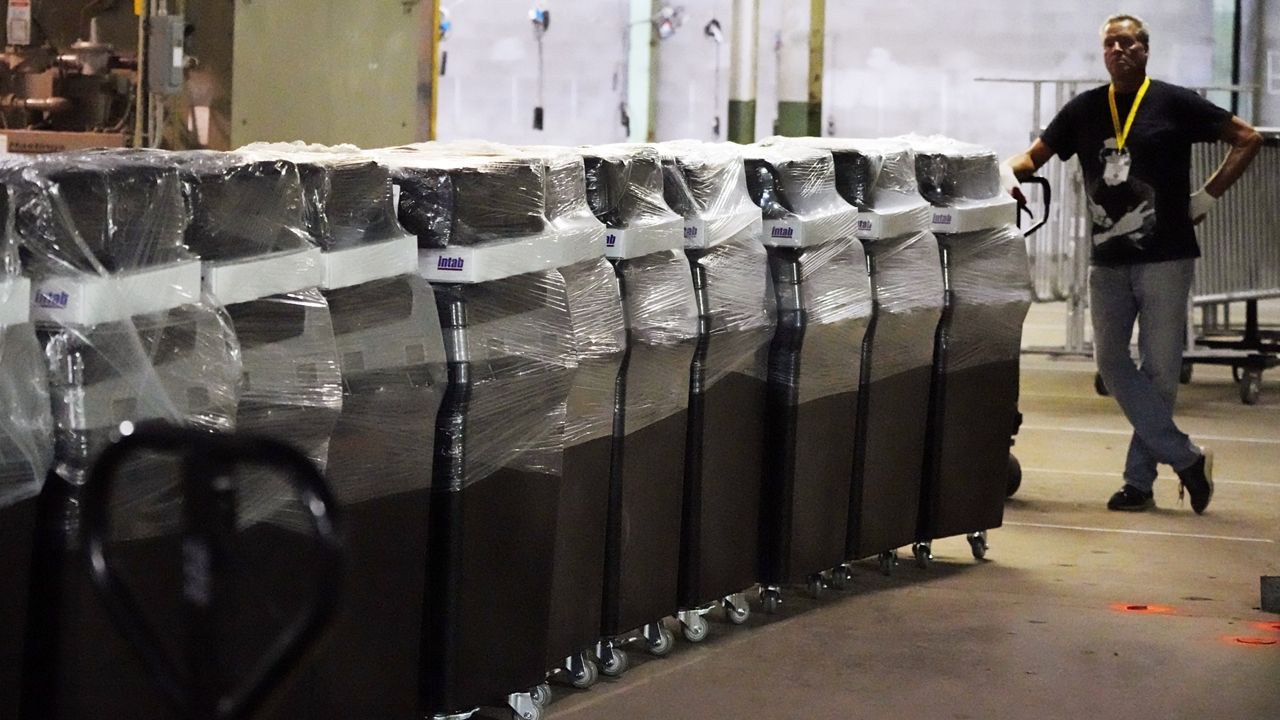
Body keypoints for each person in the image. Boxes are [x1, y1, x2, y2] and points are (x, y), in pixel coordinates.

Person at [1002, 13, 1263, 513]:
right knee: (1112, 362)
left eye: (1129, 43)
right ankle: (1186, 458)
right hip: (1108, 262)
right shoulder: (1083, 110)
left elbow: (1246, 137)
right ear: (1103, 54)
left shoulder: (1173, 102)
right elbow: (1030, 159)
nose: (1119, 51)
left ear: (1145, 51)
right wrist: (1000, 176)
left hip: (1166, 257)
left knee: (1161, 372)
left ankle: (1138, 483)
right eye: (1110, 44)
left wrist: (1207, 195)